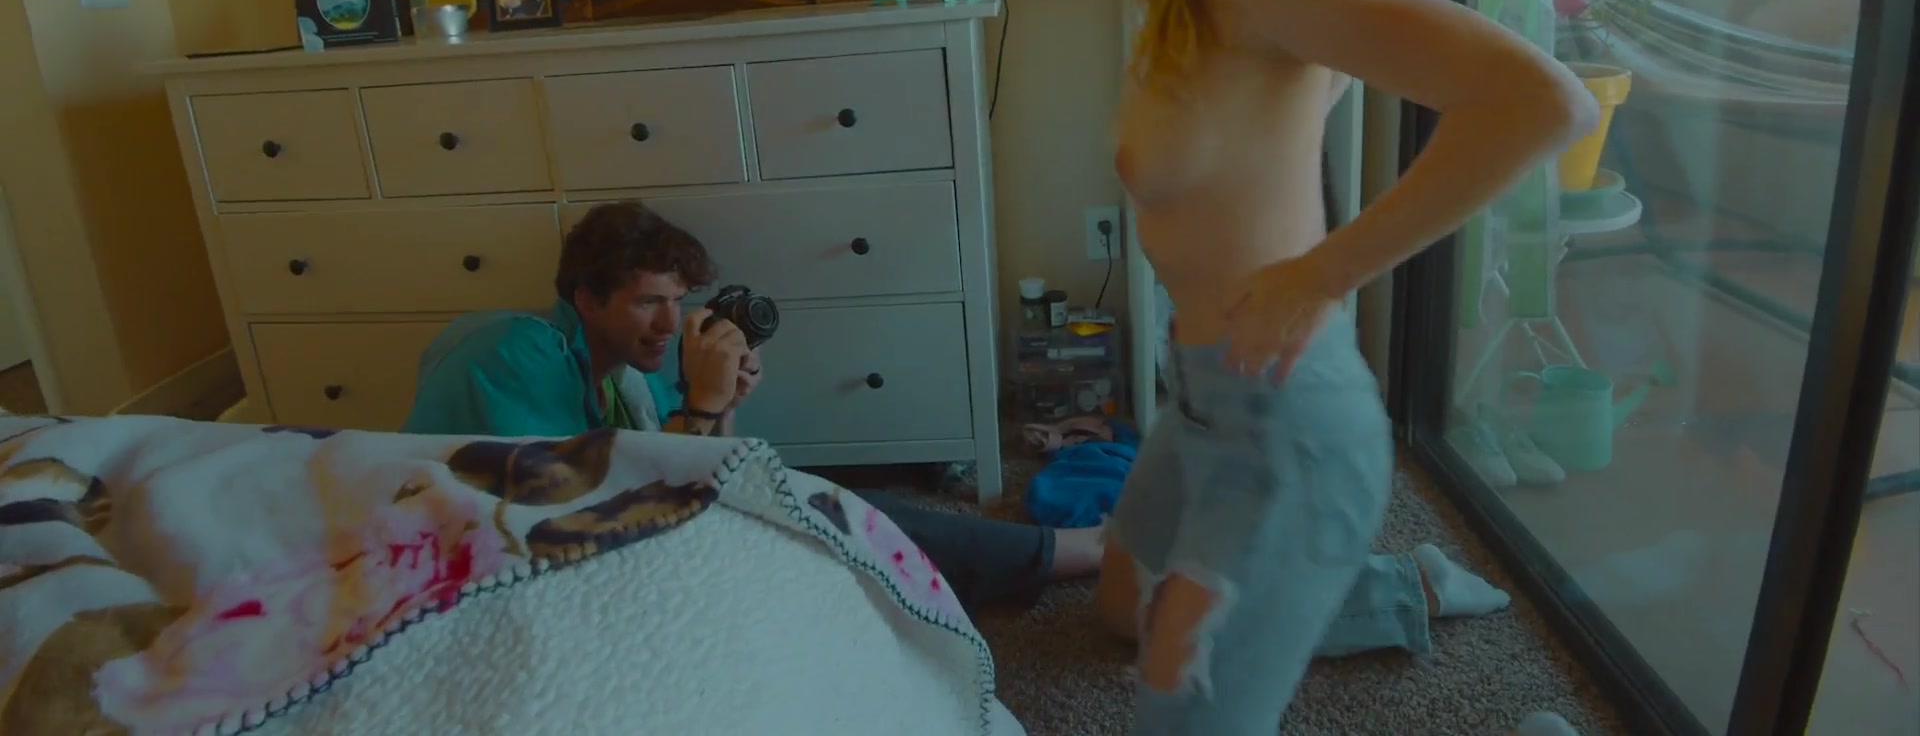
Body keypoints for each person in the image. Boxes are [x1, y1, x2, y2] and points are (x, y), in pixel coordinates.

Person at [1056, 0, 1598, 736]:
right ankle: (1399, 586)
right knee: (1125, 610)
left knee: (1183, 711)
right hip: (1200, 397)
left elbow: (1543, 103)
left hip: (1283, 421)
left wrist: (1323, 271)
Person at [402, 201, 1513, 658]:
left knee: (841, 508)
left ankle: (1102, 554)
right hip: (505, 563)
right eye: (646, 304)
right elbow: (568, 511)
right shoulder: (513, 353)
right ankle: (1100, 554)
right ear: (584, 296)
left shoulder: (622, 389)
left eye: (675, 303)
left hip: (613, 542)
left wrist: (717, 404)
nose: (665, 324)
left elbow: (696, 473)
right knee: (836, 514)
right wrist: (702, 413)